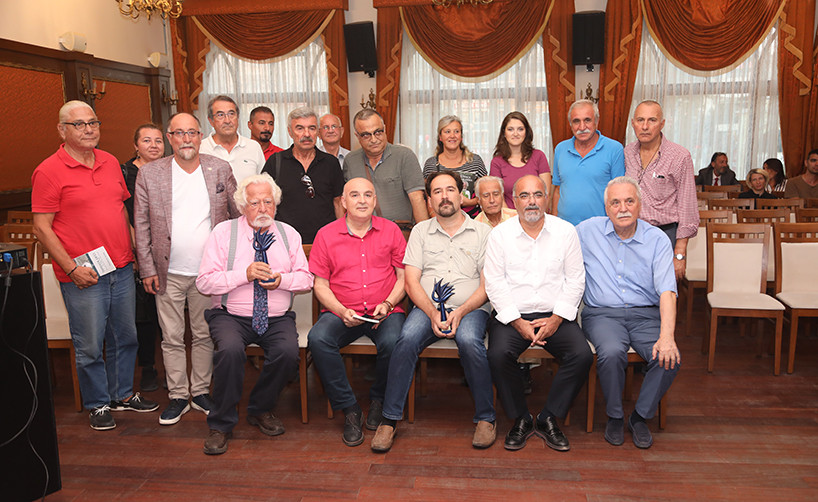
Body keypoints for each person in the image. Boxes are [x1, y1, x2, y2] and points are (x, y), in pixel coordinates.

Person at [32, 100, 158, 431]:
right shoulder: (48, 171)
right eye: (79, 124)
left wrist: (137, 253)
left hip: (121, 267)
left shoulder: (110, 162)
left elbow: (122, 211)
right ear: (62, 130)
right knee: (90, 344)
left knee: (126, 336)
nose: (88, 129)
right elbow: (41, 228)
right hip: (83, 274)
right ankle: (98, 403)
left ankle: (121, 394)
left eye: (93, 122)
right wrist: (71, 269)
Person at [371, 171, 495, 452]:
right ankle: (389, 420)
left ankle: (486, 418)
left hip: (471, 307)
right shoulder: (420, 232)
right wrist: (431, 312)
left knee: (469, 341)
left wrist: (461, 311)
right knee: (405, 340)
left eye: (450, 190)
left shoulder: (483, 232)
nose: (444, 196)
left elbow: (487, 285)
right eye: (437, 192)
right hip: (427, 307)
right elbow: (411, 282)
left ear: (461, 195)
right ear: (429, 200)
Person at [134, 112, 240, 425]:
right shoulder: (150, 173)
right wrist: (147, 268)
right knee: (171, 337)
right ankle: (179, 395)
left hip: (208, 271)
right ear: (170, 138)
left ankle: (201, 391)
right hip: (166, 271)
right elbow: (141, 223)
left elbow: (236, 214)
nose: (186, 139)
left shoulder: (219, 167)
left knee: (204, 333)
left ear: (200, 135)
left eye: (191, 132)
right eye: (179, 133)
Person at [196, 173, 313, 455]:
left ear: (276, 204)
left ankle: (260, 408)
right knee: (230, 351)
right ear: (241, 206)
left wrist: (282, 280)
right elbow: (204, 282)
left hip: (276, 317)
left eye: (268, 202)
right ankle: (221, 424)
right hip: (230, 315)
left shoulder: (289, 234)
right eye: (254, 203)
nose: (262, 209)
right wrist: (244, 275)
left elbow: (306, 280)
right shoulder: (223, 233)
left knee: (288, 352)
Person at [485, 175, 592, 452]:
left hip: (555, 313)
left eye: (537, 195)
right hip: (513, 314)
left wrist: (557, 319)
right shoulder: (499, 235)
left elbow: (576, 280)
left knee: (581, 355)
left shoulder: (566, 231)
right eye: (524, 195)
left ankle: (548, 418)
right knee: (498, 354)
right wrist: (517, 321)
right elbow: (494, 283)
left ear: (547, 199)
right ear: (514, 201)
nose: (531, 201)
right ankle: (520, 417)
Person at [576, 176, 680, 449]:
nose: (622, 208)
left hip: (646, 315)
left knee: (668, 357)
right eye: (615, 202)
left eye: (629, 201)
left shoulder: (657, 239)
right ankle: (614, 416)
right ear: (606, 208)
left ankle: (639, 417)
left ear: (640, 205)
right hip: (602, 314)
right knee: (611, 352)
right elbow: (554, 242)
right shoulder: (586, 231)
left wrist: (667, 336)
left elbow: (667, 291)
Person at [308, 177, 407, 447]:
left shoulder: (391, 231)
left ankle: (379, 400)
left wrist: (388, 303)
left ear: (375, 201)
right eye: (354, 195)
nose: (361, 200)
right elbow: (320, 284)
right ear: (343, 202)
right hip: (341, 311)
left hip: (385, 310)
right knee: (318, 339)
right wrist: (340, 310)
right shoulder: (326, 234)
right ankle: (349, 408)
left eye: (367, 195)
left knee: (394, 341)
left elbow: (404, 278)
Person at [624, 100, 699, 279]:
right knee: (632, 288)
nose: (645, 126)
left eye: (652, 120)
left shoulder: (680, 156)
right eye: (640, 120)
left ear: (662, 123)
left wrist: (679, 254)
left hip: (665, 234)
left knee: (664, 289)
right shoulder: (627, 153)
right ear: (633, 123)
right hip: (631, 233)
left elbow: (687, 207)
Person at [121, 123, 164, 392]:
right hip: (137, 250)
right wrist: (139, 251)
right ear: (136, 145)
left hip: (167, 251)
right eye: (146, 140)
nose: (153, 145)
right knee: (145, 315)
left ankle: (172, 368)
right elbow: (124, 214)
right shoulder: (126, 173)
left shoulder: (170, 169)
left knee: (167, 316)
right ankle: (148, 367)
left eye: (158, 140)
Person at [261, 107, 344, 244]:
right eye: (300, 128)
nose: (307, 134)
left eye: (312, 128)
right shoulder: (275, 162)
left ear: (317, 132)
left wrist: (341, 237)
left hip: (325, 241)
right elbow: (264, 202)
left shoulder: (331, 163)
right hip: (285, 241)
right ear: (290, 132)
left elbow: (338, 203)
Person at [343, 108, 428, 226]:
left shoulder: (404, 156)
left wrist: (423, 234)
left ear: (385, 129)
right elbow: (347, 201)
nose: (374, 139)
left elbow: (417, 198)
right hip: (362, 232)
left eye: (378, 132)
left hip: (399, 231)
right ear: (357, 136)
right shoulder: (351, 161)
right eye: (366, 135)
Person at [552, 100, 625, 225]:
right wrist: (554, 223)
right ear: (570, 124)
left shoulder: (614, 149)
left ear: (596, 121)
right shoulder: (560, 149)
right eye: (576, 121)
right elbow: (558, 190)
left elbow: (619, 193)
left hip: (600, 227)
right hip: (565, 227)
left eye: (587, 120)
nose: (582, 127)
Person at [423, 115, 487, 218]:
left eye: (456, 131)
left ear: (461, 136)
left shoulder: (475, 161)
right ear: (440, 137)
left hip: (473, 219)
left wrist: (470, 202)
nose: (452, 136)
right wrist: (436, 220)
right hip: (442, 219)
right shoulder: (431, 164)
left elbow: (486, 194)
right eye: (447, 132)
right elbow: (429, 199)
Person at [489, 111, 551, 210]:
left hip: (537, 214)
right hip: (509, 216)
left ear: (526, 132)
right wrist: (512, 217)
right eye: (510, 129)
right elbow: (498, 197)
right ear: (504, 133)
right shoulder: (497, 162)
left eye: (520, 129)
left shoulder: (539, 156)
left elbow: (546, 194)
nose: (515, 134)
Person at [200, 95, 266, 184]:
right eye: (220, 115)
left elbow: (264, 183)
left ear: (237, 117)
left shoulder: (253, 147)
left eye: (231, 114)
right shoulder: (201, 149)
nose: (227, 121)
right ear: (211, 121)